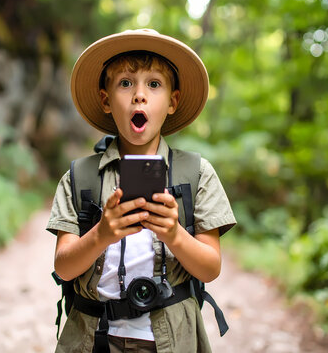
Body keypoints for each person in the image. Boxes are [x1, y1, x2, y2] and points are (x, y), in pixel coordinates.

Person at [47, 29, 236, 353]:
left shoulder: (197, 173)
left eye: (154, 84)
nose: (139, 95)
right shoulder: (81, 177)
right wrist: (102, 233)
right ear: (106, 100)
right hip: (93, 339)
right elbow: (64, 267)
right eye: (125, 83)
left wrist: (174, 235)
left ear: (172, 101)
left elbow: (210, 267)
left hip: (171, 339)